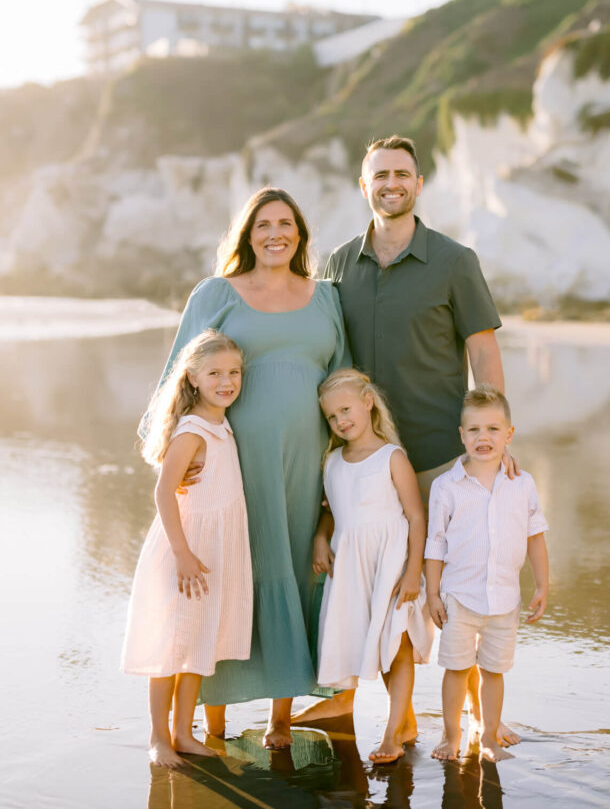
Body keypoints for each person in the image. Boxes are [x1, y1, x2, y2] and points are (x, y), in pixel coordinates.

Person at [295, 135, 518, 744]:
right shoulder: (338, 263)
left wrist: (494, 435)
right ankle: (357, 704)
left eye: (402, 173)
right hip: (361, 456)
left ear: (418, 184)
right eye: (379, 175)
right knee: (359, 573)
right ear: (363, 187)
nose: (391, 183)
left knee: (443, 584)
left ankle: (468, 711)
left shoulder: (454, 260)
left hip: (436, 453)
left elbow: (482, 349)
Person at [146, 187, 348, 748]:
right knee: (224, 574)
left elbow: (343, 383)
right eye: (263, 224)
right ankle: (207, 723)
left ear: (301, 234)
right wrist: (169, 453)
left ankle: (280, 718)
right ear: (247, 234)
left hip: (304, 465)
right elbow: (178, 373)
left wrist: (350, 468)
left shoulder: (326, 297)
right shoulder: (217, 293)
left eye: (286, 223)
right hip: (228, 464)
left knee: (289, 568)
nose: (275, 233)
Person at [122, 331, 252, 768]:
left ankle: (183, 731)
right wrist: (182, 553)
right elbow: (163, 493)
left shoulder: (223, 423)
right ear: (193, 377)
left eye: (234, 372)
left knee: (198, 641)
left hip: (212, 552)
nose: (227, 381)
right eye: (215, 373)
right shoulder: (193, 429)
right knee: (171, 646)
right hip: (184, 551)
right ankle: (159, 737)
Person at [313, 369, 433, 763]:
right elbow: (333, 511)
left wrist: (413, 570)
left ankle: (392, 734)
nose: (340, 420)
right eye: (332, 416)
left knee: (395, 647)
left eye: (346, 409)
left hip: (391, 561)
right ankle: (408, 722)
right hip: (352, 567)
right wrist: (319, 537)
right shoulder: (332, 461)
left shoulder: (391, 457)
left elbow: (416, 517)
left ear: (368, 402)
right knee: (373, 644)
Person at [425, 385, 549, 762]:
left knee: (494, 671)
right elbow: (435, 544)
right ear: (461, 435)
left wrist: (543, 584)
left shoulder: (522, 484)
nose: (484, 438)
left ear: (509, 435)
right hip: (459, 597)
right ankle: (452, 735)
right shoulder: (446, 486)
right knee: (456, 669)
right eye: (474, 430)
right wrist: (432, 593)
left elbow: (535, 536)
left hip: (503, 599)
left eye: (494, 429)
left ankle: (490, 736)